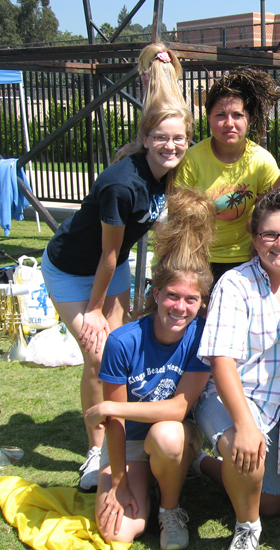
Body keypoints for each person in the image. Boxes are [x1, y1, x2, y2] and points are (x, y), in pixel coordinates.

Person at [42, 83, 193, 492]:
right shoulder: (120, 184)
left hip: (114, 266)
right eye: (160, 137)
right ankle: (97, 449)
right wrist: (93, 309)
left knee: (119, 349)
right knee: (96, 353)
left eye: (178, 138)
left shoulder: (170, 172)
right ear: (145, 139)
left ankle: (128, 434)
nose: (170, 145)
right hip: (72, 269)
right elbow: (105, 256)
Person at [192, 180, 280, 550]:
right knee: (244, 448)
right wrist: (243, 425)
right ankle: (245, 528)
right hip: (232, 399)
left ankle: (199, 463)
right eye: (269, 235)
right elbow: (221, 362)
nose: (279, 244)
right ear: (254, 239)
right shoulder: (234, 285)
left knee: (271, 503)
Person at [86, 188, 215, 550]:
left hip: (171, 434)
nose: (180, 307)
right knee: (120, 531)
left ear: (201, 302)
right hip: (127, 442)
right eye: (172, 296)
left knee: (168, 436)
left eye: (191, 300)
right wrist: (118, 482)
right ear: (156, 294)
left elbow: (177, 409)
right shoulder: (122, 341)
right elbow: (116, 425)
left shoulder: (201, 336)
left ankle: (170, 509)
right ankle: (159, 480)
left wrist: (113, 406)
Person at [175, 67, 280, 283]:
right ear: (208, 118)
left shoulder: (261, 161)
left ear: (250, 119)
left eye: (237, 115)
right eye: (220, 115)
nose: (229, 123)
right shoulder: (191, 160)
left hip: (247, 259)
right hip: (199, 259)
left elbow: (274, 213)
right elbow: (180, 220)